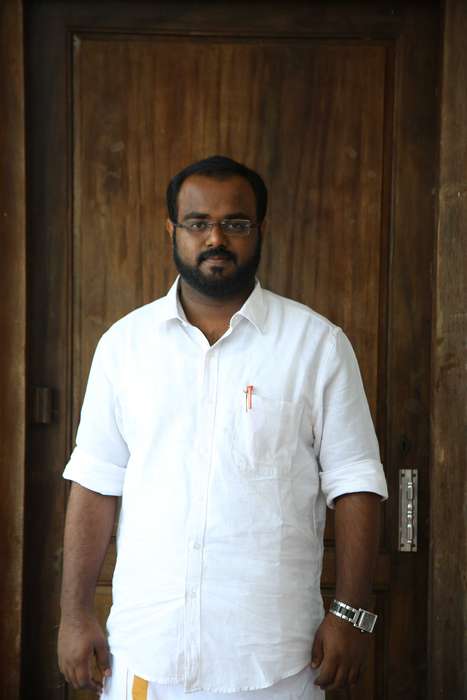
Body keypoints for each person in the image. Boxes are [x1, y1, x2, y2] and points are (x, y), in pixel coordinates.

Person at [58, 155, 387, 699]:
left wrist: (351, 615)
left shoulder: (316, 345)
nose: (216, 238)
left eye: (235, 222)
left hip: (274, 662)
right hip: (146, 654)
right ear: (172, 230)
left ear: (260, 230)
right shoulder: (124, 347)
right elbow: (94, 484)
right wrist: (73, 615)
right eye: (198, 223)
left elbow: (356, 483)